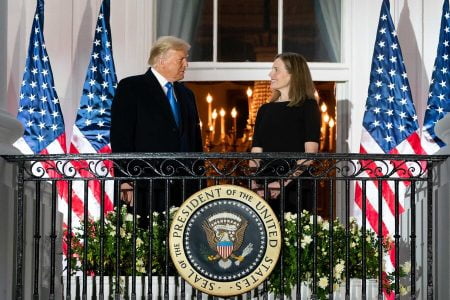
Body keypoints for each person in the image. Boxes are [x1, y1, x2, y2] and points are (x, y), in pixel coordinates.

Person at [110, 36, 203, 223]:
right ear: (162, 60)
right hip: (145, 184)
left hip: (183, 187)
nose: (186, 64)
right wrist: (125, 181)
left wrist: (199, 183)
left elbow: (195, 141)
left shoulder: (187, 95)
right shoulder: (132, 87)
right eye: (181, 59)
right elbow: (121, 137)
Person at [251, 52, 321, 214]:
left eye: (276, 69)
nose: (270, 74)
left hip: (295, 187)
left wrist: (282, 183)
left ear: (293, 74)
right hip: (264, 185)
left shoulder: (308, 106)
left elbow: (310, 153)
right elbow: (256, 151)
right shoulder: (265, 109)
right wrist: (254, 183)